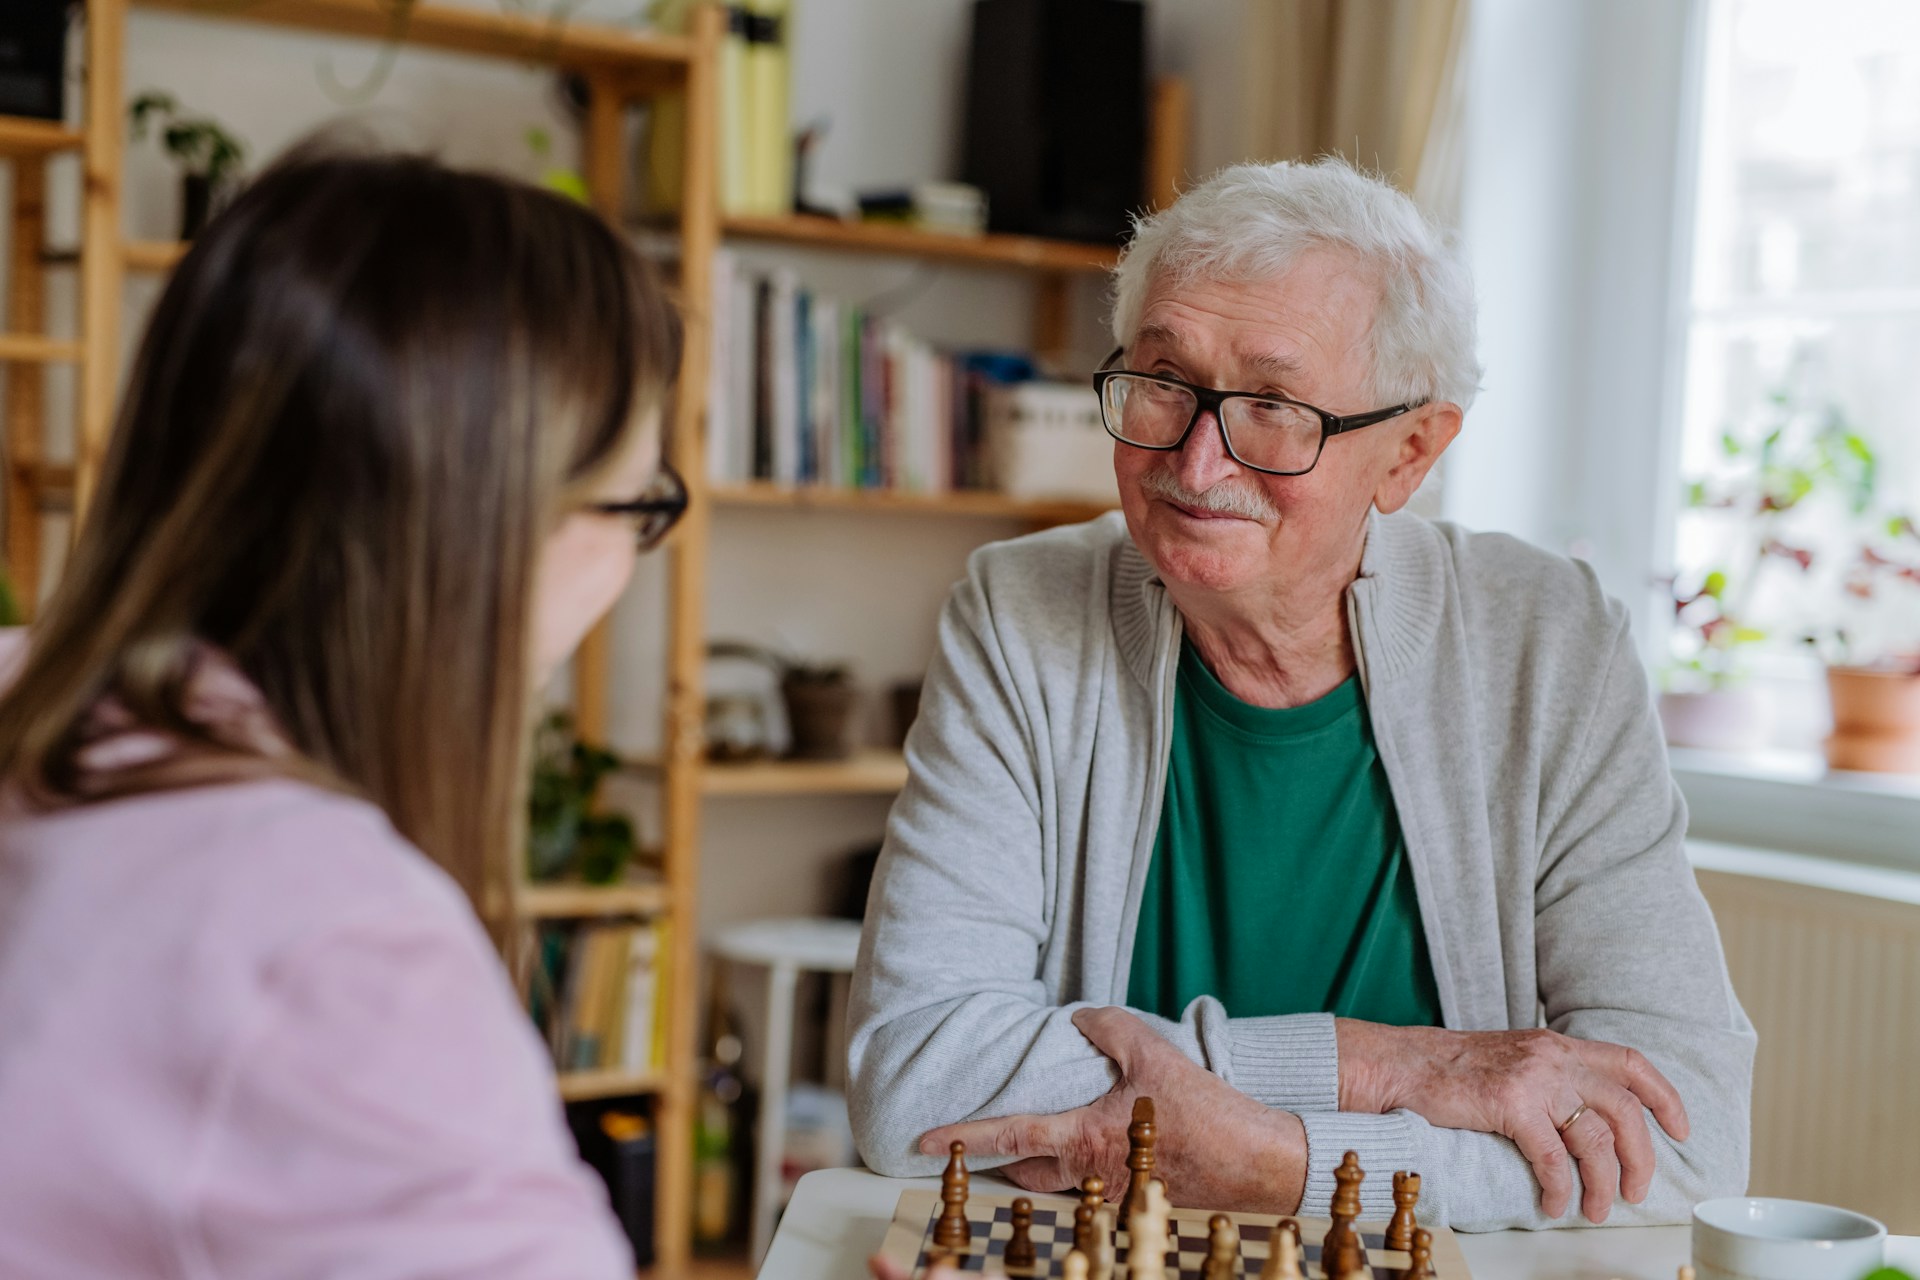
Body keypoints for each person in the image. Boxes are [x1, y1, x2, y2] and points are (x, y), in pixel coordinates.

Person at [847, 158, 1755, 1232]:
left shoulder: (1549, 646)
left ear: (1408, 453)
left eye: (1272, 406)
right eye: (1163, 380)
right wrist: (1390, 1067)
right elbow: (916, 1076)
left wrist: (1279, 1161)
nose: (1196, 456)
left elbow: (1682, 1135)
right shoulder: (1020, 615)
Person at [0, 145, 687, 1277]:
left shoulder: (33, 698)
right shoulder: (336, 944)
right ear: (493, 530)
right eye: (638, 504)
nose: (632, 562)